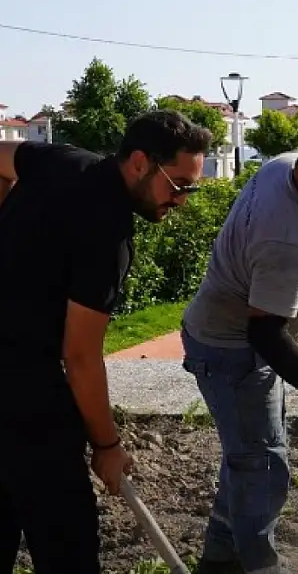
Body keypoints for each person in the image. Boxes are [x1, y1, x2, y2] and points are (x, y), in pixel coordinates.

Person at [0, 110, 213, 573]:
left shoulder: (62, 159)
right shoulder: (107, 233)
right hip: (25, 395)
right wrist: (107, 445)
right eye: (178, 185)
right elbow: (79, 357)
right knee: (67, 546)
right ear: (140, 162)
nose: (183, 201)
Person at [180, 126, 298, 574]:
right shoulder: (287, 244)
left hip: (240, 337)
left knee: (245, 456)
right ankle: (261, 566)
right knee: (262, 467)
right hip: (235, 350)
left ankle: (220, 560)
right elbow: (265, 335)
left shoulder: (285, 165)